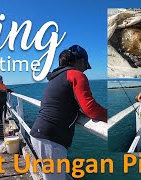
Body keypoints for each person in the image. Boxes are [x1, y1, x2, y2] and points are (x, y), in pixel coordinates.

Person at [30, 45, 107, 180]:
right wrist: (110, 116)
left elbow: (64, 102)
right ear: (80, 61)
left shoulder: (56, 78)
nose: (85, 70)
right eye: (85, 65)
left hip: (40, 134)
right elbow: (90, 108)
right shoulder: (76, 75)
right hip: (51, 140)